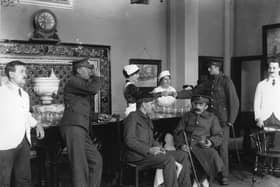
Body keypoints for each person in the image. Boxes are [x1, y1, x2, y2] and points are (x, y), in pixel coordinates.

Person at [123, 97, 192, 187]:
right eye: (151, 104)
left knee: (183, 155)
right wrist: (149, 150)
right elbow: (129, 140)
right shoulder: (133, 117)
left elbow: (151, 139)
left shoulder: (147, 118)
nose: (153, 106)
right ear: (144, 104)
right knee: (168, 160)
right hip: (138, 156)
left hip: (150, 153)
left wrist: (160, 148)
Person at [59, 57, 103, 187]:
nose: (90, 71)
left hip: (80, 128)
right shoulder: (74, 81)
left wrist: (96, 116)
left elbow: (79, 106)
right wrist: (98, 77)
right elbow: (93, 89)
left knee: (96, 160)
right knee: (79, 166)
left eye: (91, 69)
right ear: (79, 70)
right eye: (88, 68)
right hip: (73, 127)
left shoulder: (80, 84)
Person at [0, 60, 45, 187]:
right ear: (11, 74)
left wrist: (37, 124)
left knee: (24, 180)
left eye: (25, 71)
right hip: (4, 146)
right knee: (3, 182)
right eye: (22, 71)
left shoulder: (24, 95)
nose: (26, 74)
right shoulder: (1, 92)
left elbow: (25, 114)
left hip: (24, 142)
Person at [194, 60, 239, 184]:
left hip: (223, 121)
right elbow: (195, 91)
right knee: (211, 146)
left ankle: (224, 176)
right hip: (211, 121)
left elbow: (234, 102)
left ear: (216, 68)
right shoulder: (210, 82)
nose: (208, 70)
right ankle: (212, 173)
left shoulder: (226, 81)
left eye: (210, 68)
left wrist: (231, 120)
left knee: (223, 149)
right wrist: (174, 94)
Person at [173, 93, 224, 185]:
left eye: (200, 105)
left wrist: (210, 142)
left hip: (202, 146)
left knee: (213, 155)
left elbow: (219, 135)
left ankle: (205, 180)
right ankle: (193, 182)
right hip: (187, 146)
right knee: (185, 161)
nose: (197, 106)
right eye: (195, 104)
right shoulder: (187, 116)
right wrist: (181, 145)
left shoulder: (212, 118)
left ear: (206, 107)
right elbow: (178, 132)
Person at [254, 58, 280, 150]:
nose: (272, 70)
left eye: (274, 68)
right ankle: (266, 164)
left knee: (278, 147)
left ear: (279, 69)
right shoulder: (261, 85)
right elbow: (256, 103)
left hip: (278, 117)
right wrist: (258, 118)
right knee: (265, 147)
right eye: (270, 68)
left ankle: (277, 164)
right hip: (265, 118)